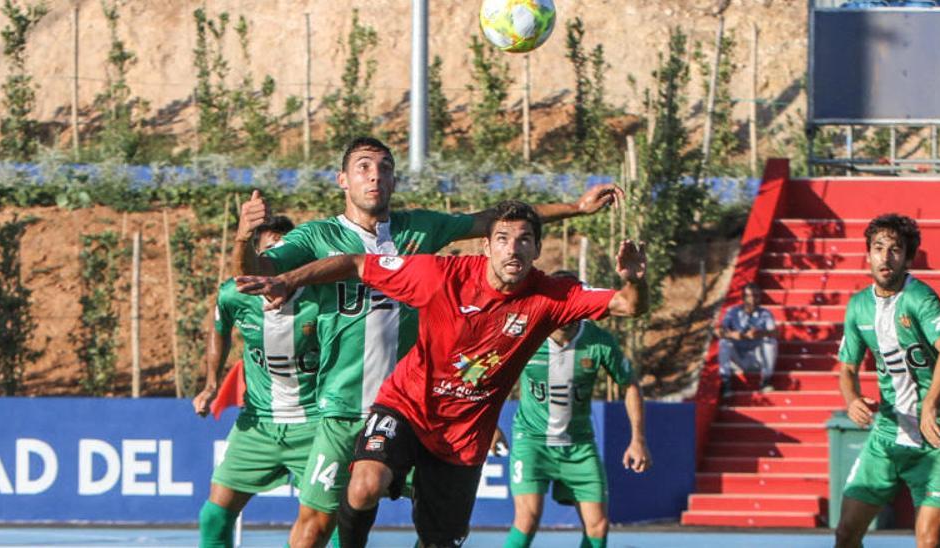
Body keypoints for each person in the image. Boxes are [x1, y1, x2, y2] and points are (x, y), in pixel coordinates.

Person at [233, 137, 623, 547]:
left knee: (438, 535)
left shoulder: (420, 229)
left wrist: (575, 208)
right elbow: (259, 273)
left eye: (384, 167)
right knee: (315, 525)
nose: (375, 176)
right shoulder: (318, 237)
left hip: (425, 410)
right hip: (344, 406)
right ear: (342, 180)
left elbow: (494, 221)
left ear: (395, 180)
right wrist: (244, 238)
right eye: (363, 167)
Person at [193, 216, 327, 548]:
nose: (275, 262)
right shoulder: (235, 295)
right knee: (213, 515)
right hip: (258, 424)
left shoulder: (324, 298)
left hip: (316, 426)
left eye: (286, 253)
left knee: (327, 525)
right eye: (269, 252)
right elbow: (220, 328)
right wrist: (211, 383)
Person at [496, 272, 652, 548]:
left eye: (576, 303)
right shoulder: (524, 334)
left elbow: (630, 385)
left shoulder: (599, 341)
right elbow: (492, 378)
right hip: (532, 442)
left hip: (579, 445)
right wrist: (491, 427)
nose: (570, 312)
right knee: (527, 519)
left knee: (599, 526)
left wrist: (638, 440)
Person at [833, 214, 940, 548]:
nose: (885, 257)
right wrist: (852, 400)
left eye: (894, 250)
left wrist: (931, 404)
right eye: (878, 249)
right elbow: (847, 369)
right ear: (868, 254)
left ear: (907, 257)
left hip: (934, 438)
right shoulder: (858, 306)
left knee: (929, 541)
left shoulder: (920, 298)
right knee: (846, 534)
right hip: (887, 435)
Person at [717, 283, 779, 395]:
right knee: (724, 342)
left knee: (770, 341)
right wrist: (732, 334)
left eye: (756, 296)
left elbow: (776, 333)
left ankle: (765, 381)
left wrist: (761, 333)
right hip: (738, 358)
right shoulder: (732, 312)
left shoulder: (765, 313)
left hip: (757, 358)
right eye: (749, 295)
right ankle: (726, 382)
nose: (753, 299)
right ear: (743, 297)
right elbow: (719, 331)